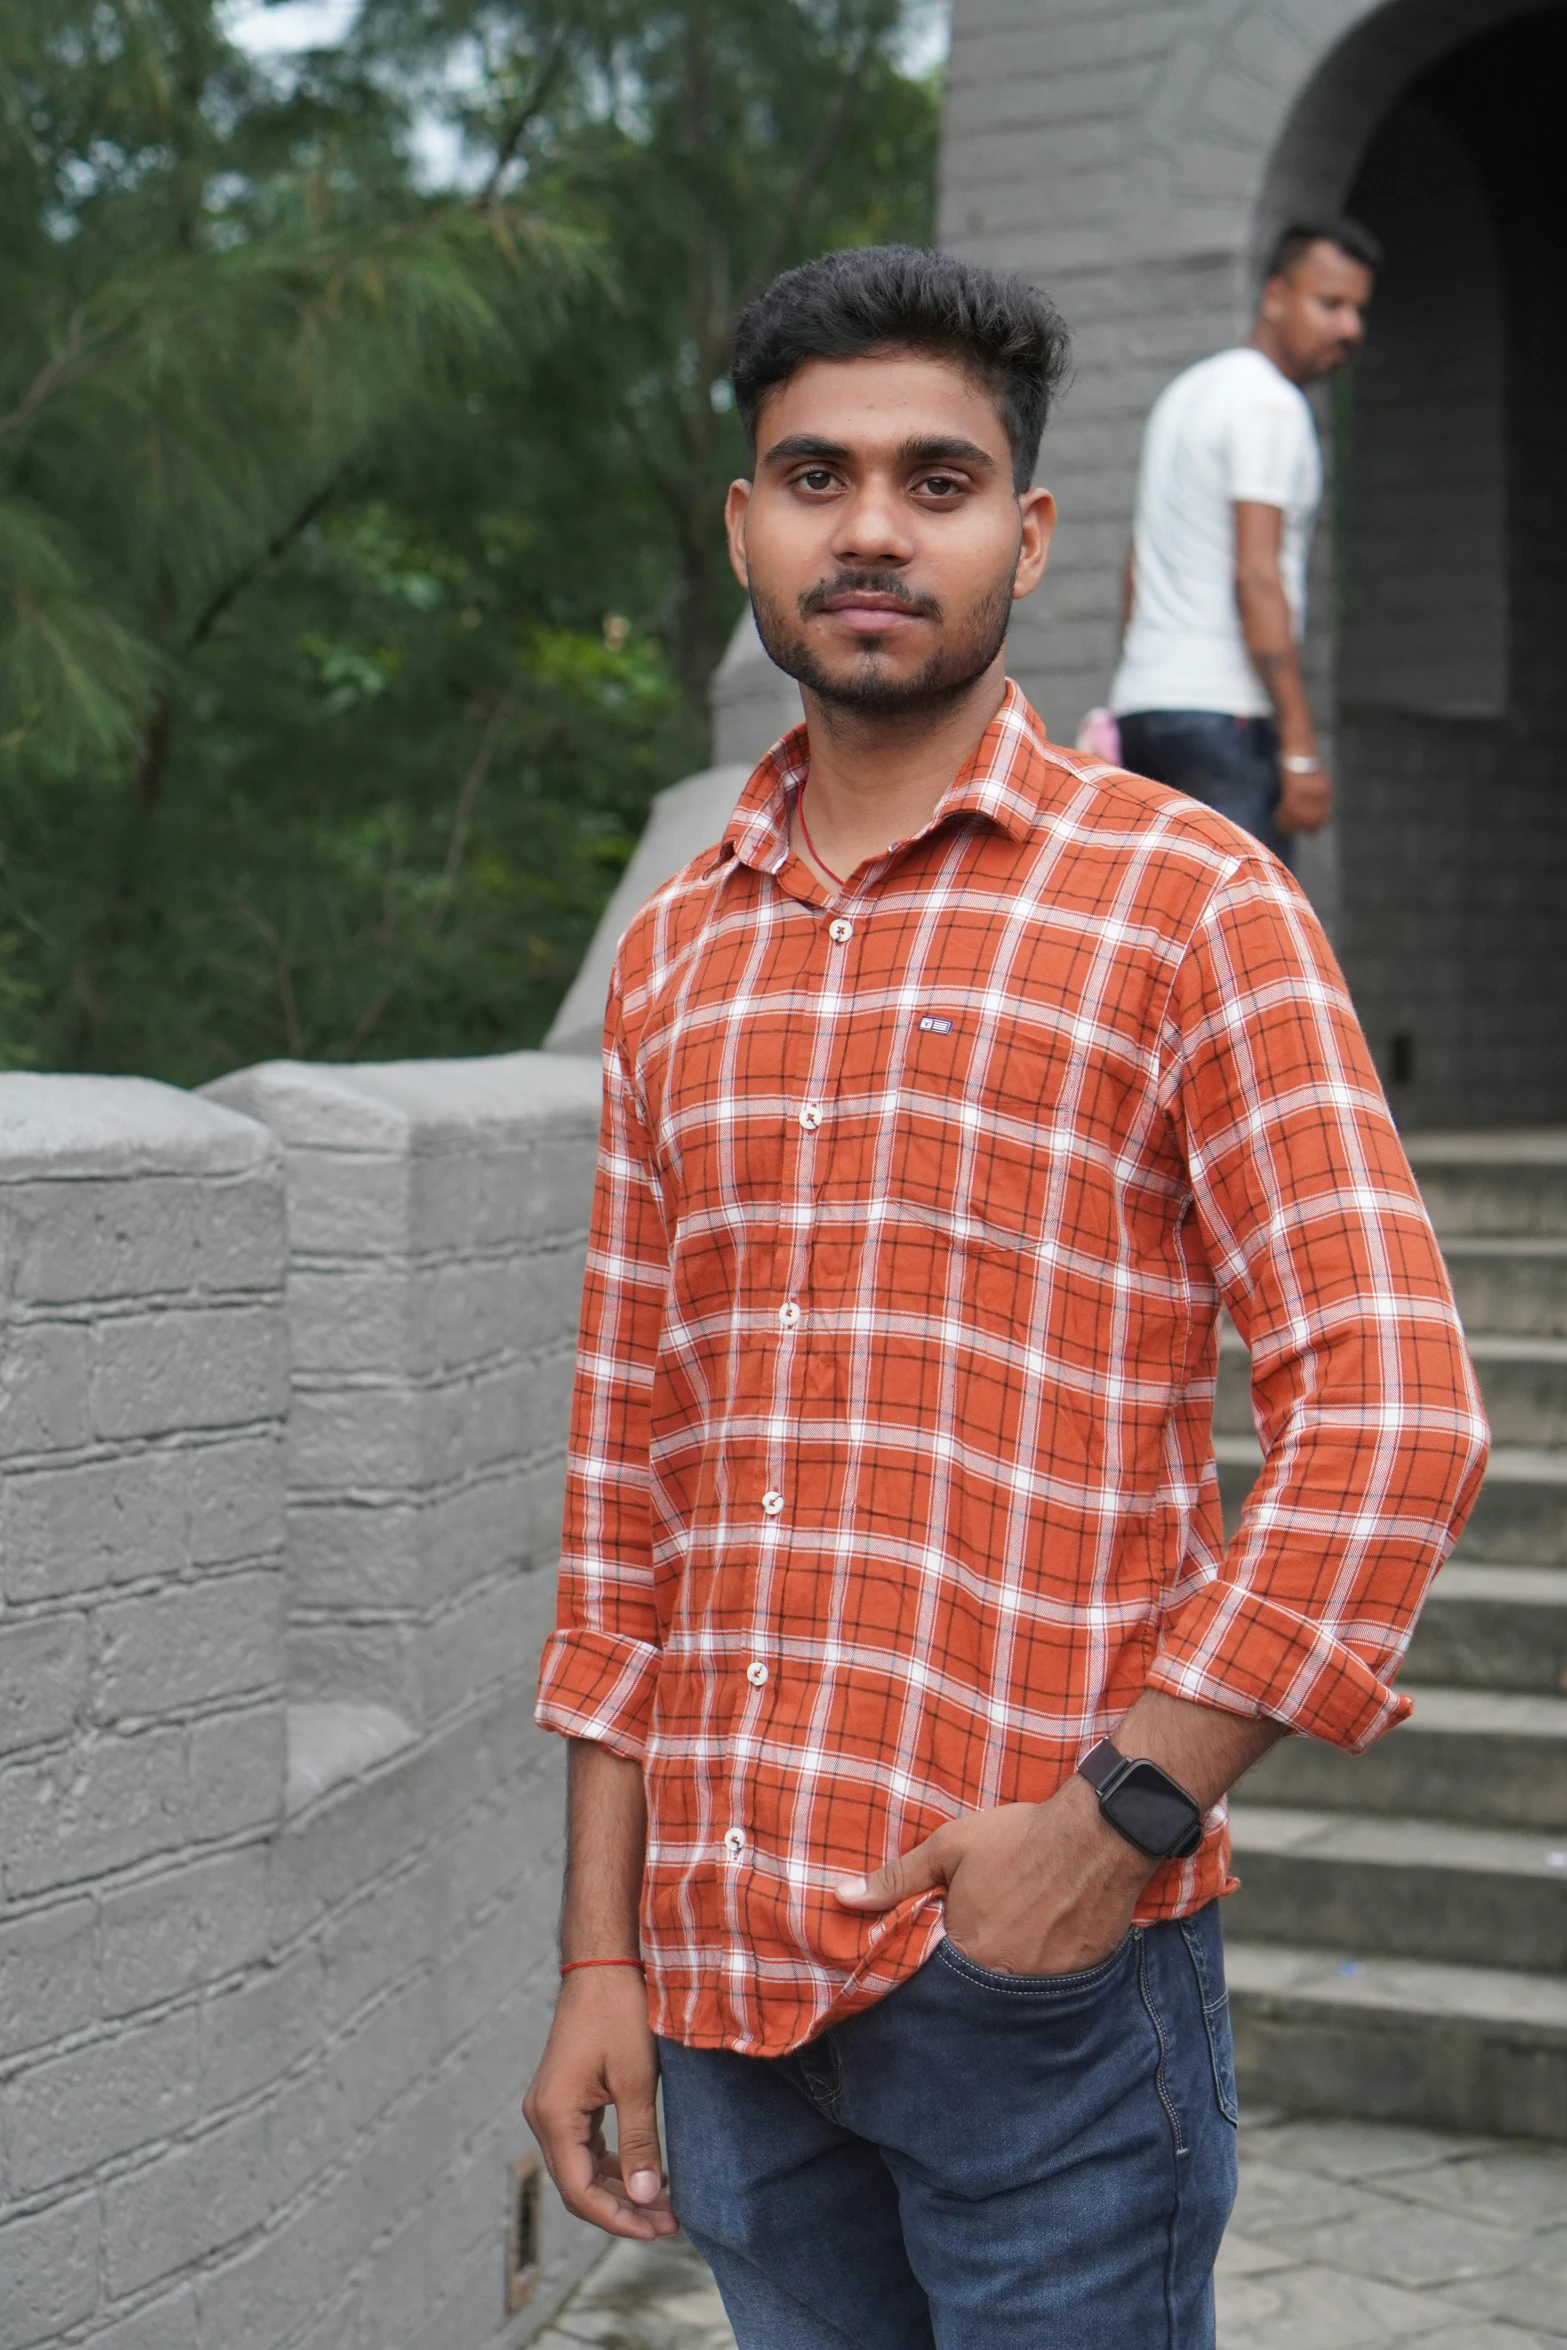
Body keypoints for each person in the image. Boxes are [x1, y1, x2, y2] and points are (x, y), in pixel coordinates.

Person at [524, 244, 1486, 2349]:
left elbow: (1399, 1408)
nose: (871, 526)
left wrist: (1113, 1816)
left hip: (1041, 1984)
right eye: (816, 473)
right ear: (746, 525)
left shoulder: (1184, 900)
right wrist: (601, 1953)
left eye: (936, 479)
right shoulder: (679, 952)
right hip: (722, 1973)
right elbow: (629, 1489)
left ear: (1026, 535)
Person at [1111, 216, 1381, 865]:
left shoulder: (1185, 393)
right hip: (1223, 720)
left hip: (1144, 712)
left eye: (1357, 310)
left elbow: (1135, 567)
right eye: (1330, 304)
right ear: (1274, 297)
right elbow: (1255, 576)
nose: (1349, 328)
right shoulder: (1269, 405)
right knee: (1243, 952)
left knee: (1162, 944)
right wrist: (1299, 745)